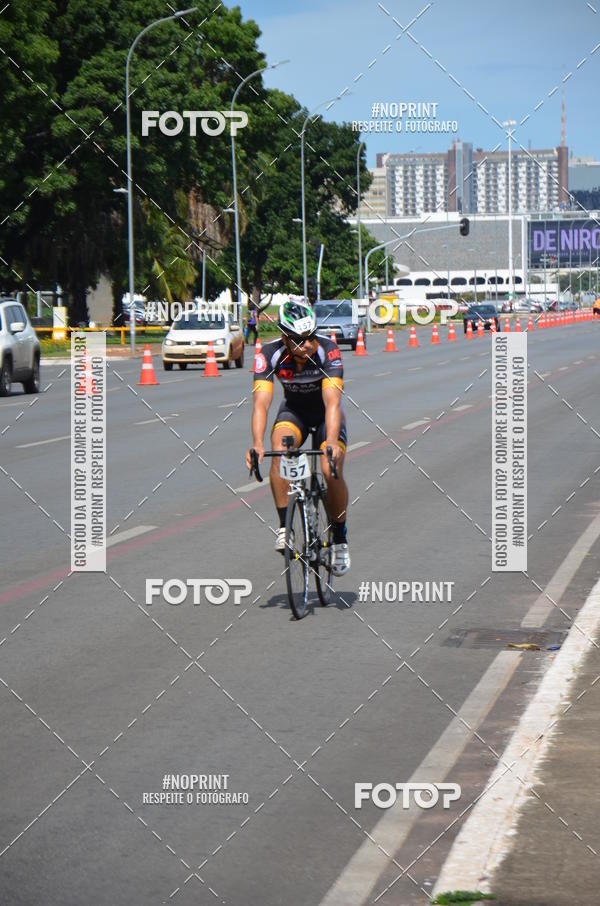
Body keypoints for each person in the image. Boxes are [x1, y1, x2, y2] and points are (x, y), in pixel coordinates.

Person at [245, 300, 350, 576]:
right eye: (299, 340)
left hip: (326, 413)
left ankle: (340, 539)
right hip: (294, 412)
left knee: (330, 468)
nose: (307, 344)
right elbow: (261, 404)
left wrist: (330, 444)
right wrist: (257, 444)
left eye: (310, 337)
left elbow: (333, 404)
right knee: (278, 448)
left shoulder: (328, 350)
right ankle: (284, 526)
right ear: (284, 337)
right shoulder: (269, 354)